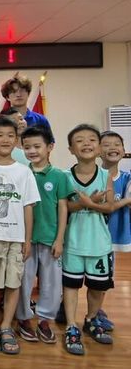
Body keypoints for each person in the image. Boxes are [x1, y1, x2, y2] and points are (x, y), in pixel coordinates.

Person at [0, 115, 40, 355]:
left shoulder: (24, 172)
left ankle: (6, 326)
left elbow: (28, 207)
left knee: (14, 282)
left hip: (16, 237)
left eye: (10, 135)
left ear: (17, 140)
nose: (5, 139)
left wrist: (27, 239)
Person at [15, 126, 73, 344]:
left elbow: (63, 208)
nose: (32, 151)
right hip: (25, 239)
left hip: (50, 239)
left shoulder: (59, 176)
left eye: (37, 146)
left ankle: (45, 320)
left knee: (51, 283)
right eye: (27, 147)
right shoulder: (22, 173)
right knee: (23, 280)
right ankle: (23, 318)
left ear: (50, 147)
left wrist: (59, 239)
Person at [62, 124, 115, 355]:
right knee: (71, 286)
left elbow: (110, 207)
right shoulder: (65, 176)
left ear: (99, 147)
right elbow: (63, 207)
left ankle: (92, 319)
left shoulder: (105, 176)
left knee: (97, 287)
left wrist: (89, 204)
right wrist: (87, 203)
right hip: (72, 243)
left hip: (99, 243)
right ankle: (71, 326)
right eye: (80, 140)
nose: (86, 143)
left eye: (92, 139)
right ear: (71, 149)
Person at [98, 131, 131, 330]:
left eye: (117, 144)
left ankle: (96, 311)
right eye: (106, 144)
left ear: (124, 150)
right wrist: (125, 200)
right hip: (90, 236)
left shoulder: (127, 178)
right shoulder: (93, 176)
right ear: (98, 151)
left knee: (104, 278)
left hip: (109, 240)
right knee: (76, 276)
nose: (112, 148)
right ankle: (63, 308)